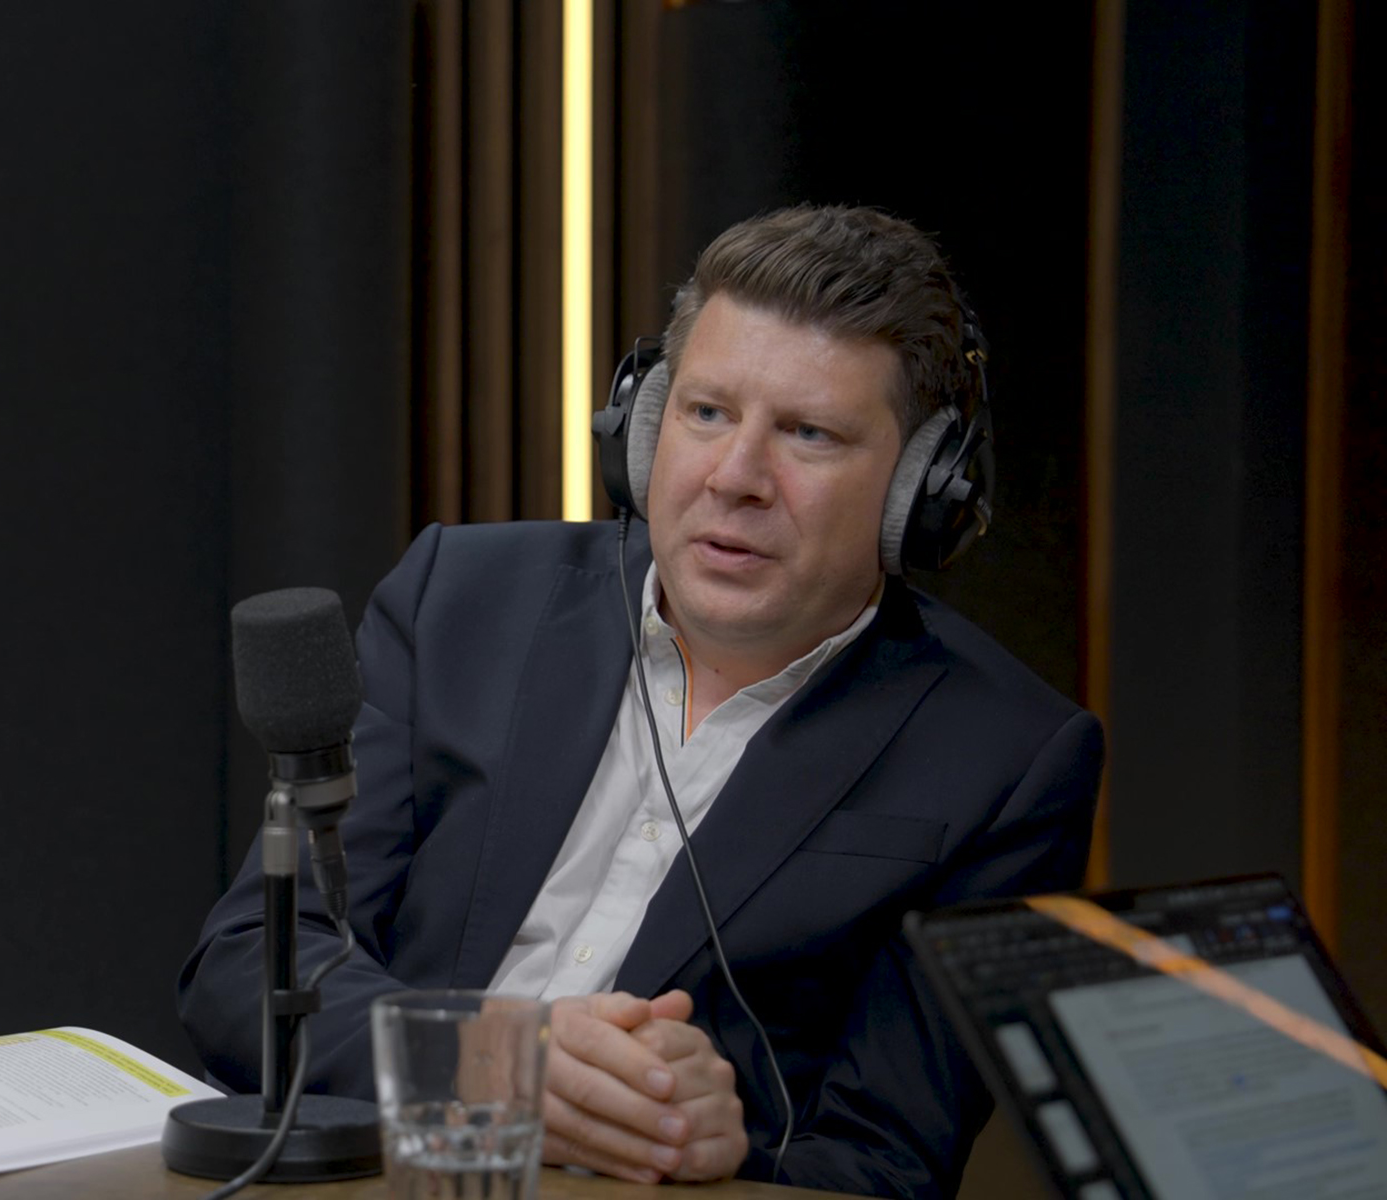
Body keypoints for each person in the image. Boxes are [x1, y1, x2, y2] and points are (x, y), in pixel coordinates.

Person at [178, 205, 1103, 1199]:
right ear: (646, 422)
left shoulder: (1008, 759)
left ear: (919, 490)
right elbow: (249, 969)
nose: (736, 477)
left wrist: (720, 1151)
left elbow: (887, 1163)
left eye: (810, 434)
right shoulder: (458, 600)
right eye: (706, 413)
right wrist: (495, 1065)